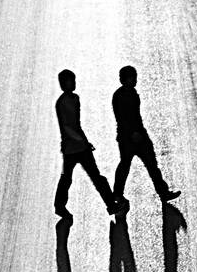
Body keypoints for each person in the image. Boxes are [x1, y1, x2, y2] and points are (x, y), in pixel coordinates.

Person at [54, 70, 128, 220]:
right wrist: (83, 142)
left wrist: (84, 141)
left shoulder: (75, 99)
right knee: (77, 178)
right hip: (73, 148)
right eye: (70, 81)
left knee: (90, 177)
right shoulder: (62, 103)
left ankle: (110, 204)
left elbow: (76, 125)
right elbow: (68, 127)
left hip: (78, 147)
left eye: (74, 80)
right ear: (62, 84)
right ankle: (60, 206)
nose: (73, 83)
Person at [112, 66, 180, 206]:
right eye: (132, 77)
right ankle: (118, 194)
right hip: (128, 138)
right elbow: (122, 118)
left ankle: (163, 192)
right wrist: (133, 133)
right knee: (127, 165)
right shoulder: (120, 96)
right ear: (123, 80)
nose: (135, 80)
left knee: (151, 164)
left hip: (138, 135)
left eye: (135, 77)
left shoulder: (132, 93)